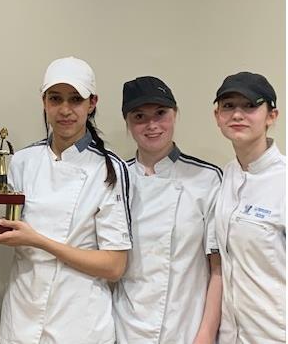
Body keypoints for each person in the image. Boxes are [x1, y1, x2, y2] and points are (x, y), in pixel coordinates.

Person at [0, 56, 131, 344]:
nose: (65, 110)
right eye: (56, 99)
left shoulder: (109, 168)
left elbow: (114, 266)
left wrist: (37, 240)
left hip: (79, 320)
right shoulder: (23, 161)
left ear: (92, 103)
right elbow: (14, 229)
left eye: (75, 99)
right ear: (44, 102)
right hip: (22, 313)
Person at [112, 76, 222, 344]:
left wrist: (206, 334)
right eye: (140, 116)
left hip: (185, 325)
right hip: (124, 327)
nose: (152, 125)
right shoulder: (115, 178)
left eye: (161, 113)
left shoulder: (206, 178)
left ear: (175, 114)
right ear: (127, 123)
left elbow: (218, 269)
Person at [213, 71, 285, 343]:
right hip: (231, 335)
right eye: (228, 106)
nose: (237, 115)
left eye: (250, 105)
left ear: (271, 116)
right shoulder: (224, 177)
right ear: (217, 116)